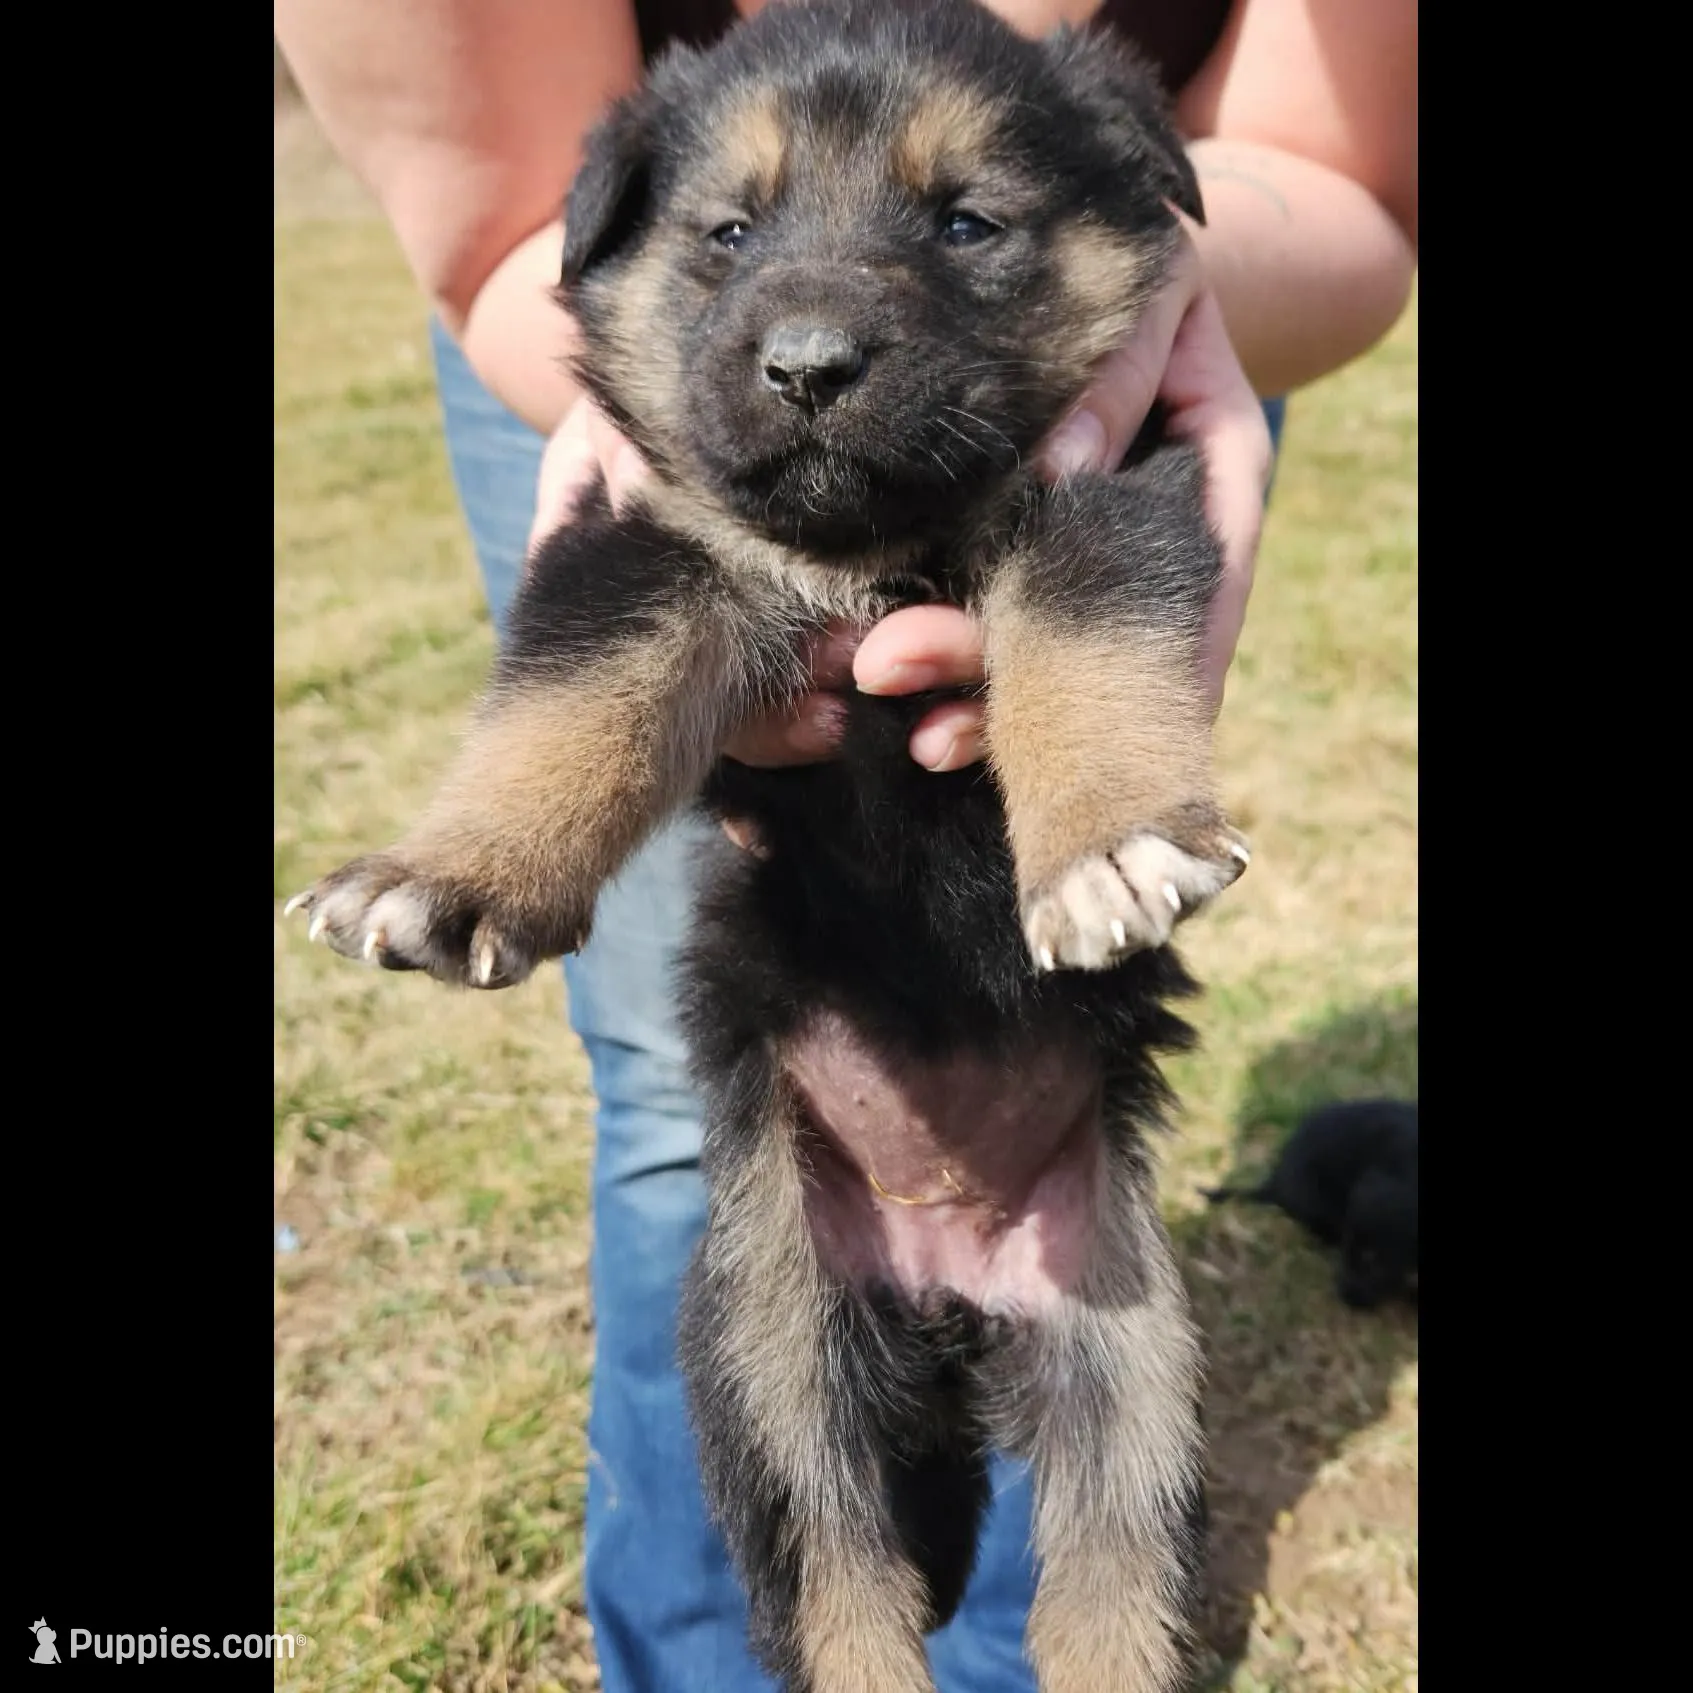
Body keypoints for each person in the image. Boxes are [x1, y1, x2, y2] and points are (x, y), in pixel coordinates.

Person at [274, 2, 1417, 1687]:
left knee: (1120, 1491)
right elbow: (514, 242)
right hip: (805, 1094)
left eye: (961, 224)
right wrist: (503, 849)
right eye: (731, 233)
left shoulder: (1084, 327)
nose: (808, 322)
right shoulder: (639, 267)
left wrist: (1107, 803)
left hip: (1061, 1131)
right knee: (724, 1240)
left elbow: (1342, 192)